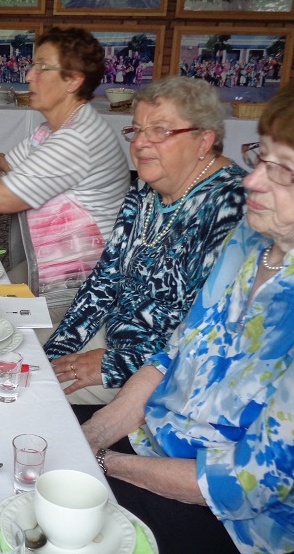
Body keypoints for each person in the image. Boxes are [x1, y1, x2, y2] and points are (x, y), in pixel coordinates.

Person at [79, 84, 294, 554]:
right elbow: (172, 351)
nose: (253, 182)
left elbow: (245, 485)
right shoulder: (250, 240)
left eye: (283, 172)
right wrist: (92, 433)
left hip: (235, 522)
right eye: (261, 159)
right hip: (152, 441)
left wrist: (100, 460)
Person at [45, 76, 246, 405]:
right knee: (17, 354)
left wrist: (115, 365)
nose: (139, 143)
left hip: (164, 373)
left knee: (29, 391)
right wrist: (55, 352)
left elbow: (211, 331)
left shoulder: (232, 205)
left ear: (203, 141)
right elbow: (104, 281)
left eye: (160, 130)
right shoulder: (146, 190)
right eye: (137, 130)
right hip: (112, 337)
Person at [0, 27, 130, 300]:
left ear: (73, 80)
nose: (29, 76)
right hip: (51, 273)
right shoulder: (50, 132)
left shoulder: (78, 137)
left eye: (42, 67)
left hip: (85, 290)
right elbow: (1, 173)